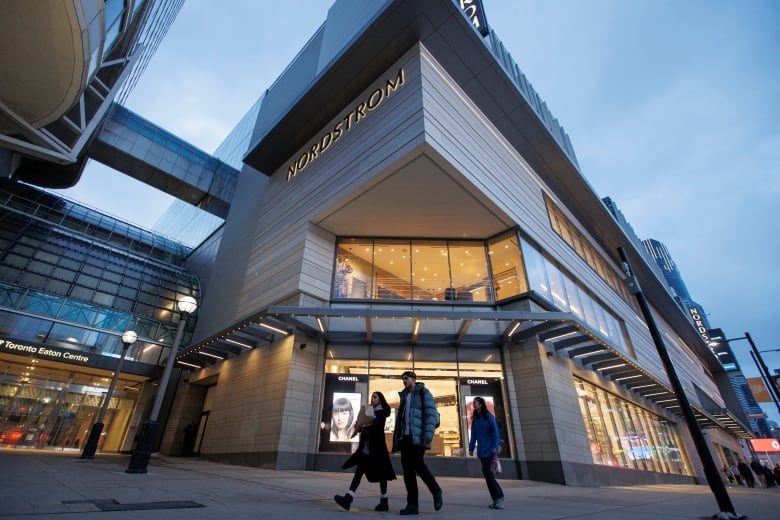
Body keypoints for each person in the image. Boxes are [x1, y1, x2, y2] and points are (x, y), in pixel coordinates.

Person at [334, 392, 397, 511]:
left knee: (382, 474)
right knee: (359, 472)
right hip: (366, 449)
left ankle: (384, 501)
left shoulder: (382, 412)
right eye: (372, 397)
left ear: (380, 399)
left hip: (377, 448)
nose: (372, 399)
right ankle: (348, 498)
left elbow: (376, 427)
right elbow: (364, 424)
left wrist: (364, 426)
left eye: (375, 397)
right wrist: (359, 426)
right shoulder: (369, 411)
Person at [392, 370, 443, 515]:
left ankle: (436, 490)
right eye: (403, 378)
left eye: (406, 378)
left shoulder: (423, 393)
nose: (404, 380)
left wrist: (427, 435)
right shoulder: (404, 396)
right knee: (408, 472)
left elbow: (431, 415)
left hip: (419, 438)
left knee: (419, 465)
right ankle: (412, 505)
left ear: (414, 379)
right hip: (406, 438)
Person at [468, 396, 505, 509]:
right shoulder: (475, 419)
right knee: (488, 475)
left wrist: (495, 446)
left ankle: (499, 498)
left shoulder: (488, 416)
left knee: (488, 474)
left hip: (490, 450)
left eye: (476, 403)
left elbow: (495, 432)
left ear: (481, 404)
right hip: (482, 451)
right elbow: (473, 434)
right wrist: (471, 447)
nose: (474, 405)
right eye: (473, 403)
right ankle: (497, 499)